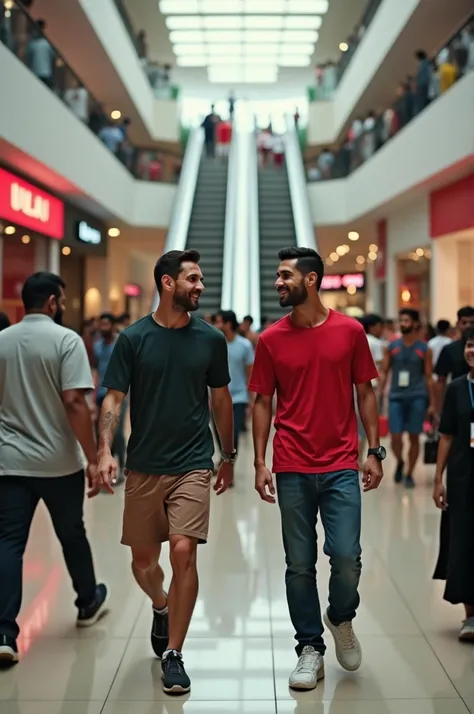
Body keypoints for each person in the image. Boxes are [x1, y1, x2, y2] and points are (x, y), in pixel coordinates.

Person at [96, 249, 235, 695]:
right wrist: (103, 450)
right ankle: (161, 604)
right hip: (143, 465)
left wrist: (228, 455)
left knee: (182, 552)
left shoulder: (211, 339)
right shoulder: (134, 339)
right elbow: (114, 398)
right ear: (167, 283)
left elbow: (220, 399)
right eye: (193, 279)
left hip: (193, 462)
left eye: (201, 279)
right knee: (143, 562)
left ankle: (173, 652)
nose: (200, 287)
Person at [249, 247, 384, 691]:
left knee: (346, 556)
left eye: (284, 275)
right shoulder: (270, 339)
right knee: (299, 564)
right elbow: (263, 400)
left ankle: (340, 617)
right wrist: (259, 460)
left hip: (342, 463)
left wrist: (374, 450)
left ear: (310, 280)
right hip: (291, 464)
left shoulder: (350, 332)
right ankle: (310, 647)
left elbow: (365, 392)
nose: (277, 282)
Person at [0, 273, 107, 665]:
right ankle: (87, 600)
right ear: (51, 302)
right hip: (59, 463)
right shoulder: (66, 340)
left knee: (9, 542)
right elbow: (76, 404)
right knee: (72, 533)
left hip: (9, 461)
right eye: (60, 299)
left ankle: (3, 632)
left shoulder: (2, 341)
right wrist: (93, 458)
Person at [433, 328, 474, 641]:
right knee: (465, 540)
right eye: (470, 345)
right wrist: (438, 478)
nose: (472, 351)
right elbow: (446, 435)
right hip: (463, 475)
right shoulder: (458, 388)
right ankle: (470, 615)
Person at [378, 309, 435, 488]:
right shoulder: (391, 347)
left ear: (415, 324)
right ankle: (400, 462)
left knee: (414, 437)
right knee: (395, 437)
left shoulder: (424, 349)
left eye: (407, 320)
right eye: (401, 321)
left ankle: (409, 472)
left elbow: (428, 376)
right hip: (396, 396)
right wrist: (378, 394)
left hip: (417, 396)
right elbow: (385, 371)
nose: (403, 324)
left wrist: (432, 404)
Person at [215, 310, 254, 455]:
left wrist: (251, 399)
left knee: (234, 432)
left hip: (239, 397)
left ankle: (229, 461)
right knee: (219, 432)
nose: (217, 325)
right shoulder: (215, 344)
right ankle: (224, 458)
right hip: (218, 397)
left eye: (219, 322)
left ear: (228, 324)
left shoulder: (244, 346)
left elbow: (249, 373)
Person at [94, 313, 127, 484]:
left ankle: (121, 466)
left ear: (113, 325)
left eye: (107, 323)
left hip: (119, 394)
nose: (103, 327)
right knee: (101, 432)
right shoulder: (97, 346)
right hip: (100, 393)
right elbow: (95, 369)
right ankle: (106, 464)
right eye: (102, 323)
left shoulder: (120, 344)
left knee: (118, 432)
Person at [435, 306, 474, 411]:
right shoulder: (449, 349)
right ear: (458, 324)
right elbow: (441, 380)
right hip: (458, 400)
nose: (468, 326)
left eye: (472, 322)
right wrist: (438, 409)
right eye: (464, 323)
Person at [26, 19, 55, 88]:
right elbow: (28, 59)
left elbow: (52, 60)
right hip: (35, 73)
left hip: (46, 74)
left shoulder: (47, 44)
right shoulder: (32, 44)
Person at [414, 50, 431, 114]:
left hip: (424, 86)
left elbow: (425, 76)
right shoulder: (424, 64)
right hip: (423, 86)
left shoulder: (424, 64)